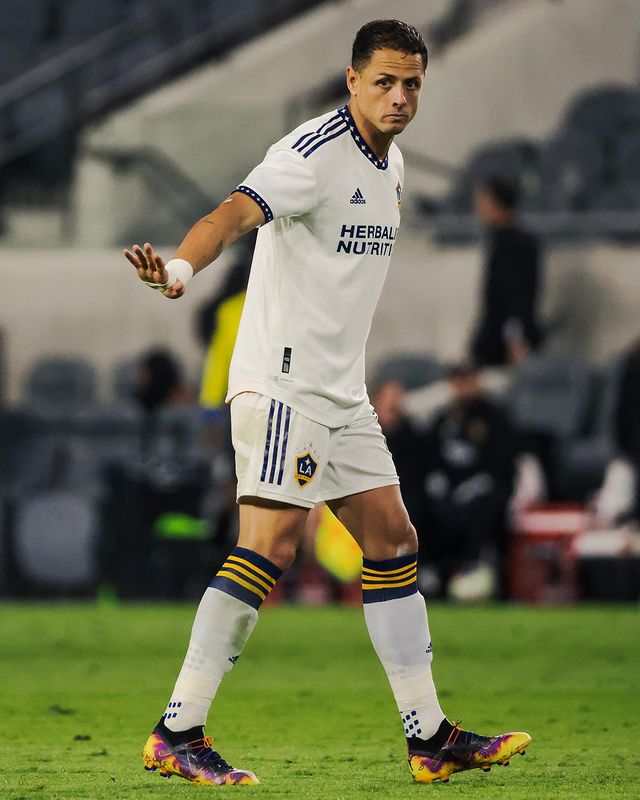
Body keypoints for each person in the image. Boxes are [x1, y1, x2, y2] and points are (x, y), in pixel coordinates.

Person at [123, 20, 530, 787]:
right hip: (283, 386)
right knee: (269, 550)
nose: (400, 96)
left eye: (412, 82)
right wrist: (180, 267)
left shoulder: (394, 165)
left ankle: (429, 735)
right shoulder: (310, 155)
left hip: (339, 394)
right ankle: (177, 730)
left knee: (394, 542)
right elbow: (229, 215)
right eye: (384, 80)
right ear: (351, 80)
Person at [420, 363, 517, 600]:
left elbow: (503, 465)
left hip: (485, 489)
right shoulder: (443, 419)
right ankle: (430, 572)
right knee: (422, 506)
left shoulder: (495, 417)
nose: (463, 388)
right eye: (458, 382)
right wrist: (438, 482)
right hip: (450, 491)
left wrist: (473, 486)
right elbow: (430, 459)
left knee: (481, 509)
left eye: (468, 381)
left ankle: (477, 572)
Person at [470, 176, 543, 367]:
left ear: (497, 205)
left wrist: (515, 337)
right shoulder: (498, 240)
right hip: (492, 336)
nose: (479, 209)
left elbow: (518, 294)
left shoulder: (518, 244)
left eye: (483, 203)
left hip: (506, 343)